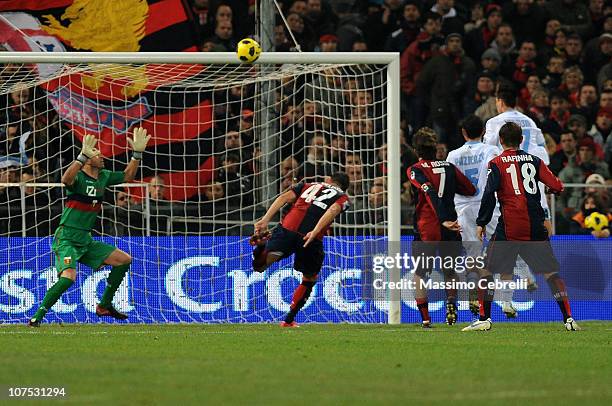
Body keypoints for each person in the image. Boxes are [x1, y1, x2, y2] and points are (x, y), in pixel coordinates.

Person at [463, 122, 580, 331]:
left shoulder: (496, 163)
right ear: (522, 140)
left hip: (509, 227)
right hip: (535, 226)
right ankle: (569, 319)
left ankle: (484, 318)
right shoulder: (534, 160)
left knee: (486, 270)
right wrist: (555, 190)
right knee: (551, 273)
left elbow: (489, 194)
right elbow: (556, 185)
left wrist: (481, 222)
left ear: (500, 141)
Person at [28, 128, 151, 327]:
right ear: (86, 159)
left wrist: (136, 155)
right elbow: (65, 180)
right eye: (96, 154)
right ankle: (37, 317)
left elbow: (128, 176)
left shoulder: (103, 176)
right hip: (67, 237)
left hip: (85, 239)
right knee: (68, 278)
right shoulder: (77, 178)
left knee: (124, 260)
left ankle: (104, 305)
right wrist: (80, 157)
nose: (101, 156)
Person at [250, 172, 350, 327]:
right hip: (310, 239)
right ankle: (288, 320)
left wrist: (265, 220)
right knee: (309, 278)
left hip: (287, 229)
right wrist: (315, 231)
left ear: (328, 180)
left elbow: (284, 198)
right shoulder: (342, 197)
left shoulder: (307, 185)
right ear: (344, 187)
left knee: (260, 267)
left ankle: (262, 246)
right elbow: (333, 210)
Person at [408, 127, 476, 328]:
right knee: (450, 270)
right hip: (451, 226)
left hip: (427, 226)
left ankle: (426, 319)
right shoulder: (448, 167)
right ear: (435, 148)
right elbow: (470, 189)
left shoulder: (415, 169)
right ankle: (451, 305)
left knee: (420, 273)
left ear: (416, 149)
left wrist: (441, 217)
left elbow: (427, 191)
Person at [483, 81, 553, 236]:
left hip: (509, 178)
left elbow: (486, 151)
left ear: (499, 101)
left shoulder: (494, 122)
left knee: (509, 223)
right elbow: (544, 154)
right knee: (542, 217)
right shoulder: (530, 121)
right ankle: (544, 252)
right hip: (532, 177)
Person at [445, 115, 499, 314]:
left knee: (472, 255)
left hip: (463, 208)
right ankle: (489, 298)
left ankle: (473, 293)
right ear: (483, 132)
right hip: (488, 206)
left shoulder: (452, 155)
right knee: (498, 250)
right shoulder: (492, 150)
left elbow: (449, 184)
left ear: (463, 133)